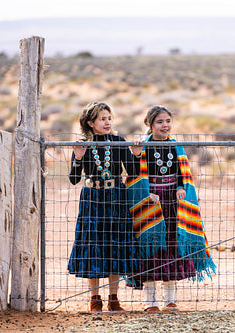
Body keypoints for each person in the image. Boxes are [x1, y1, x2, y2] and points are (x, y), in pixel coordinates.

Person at [126, 105, 216, 311]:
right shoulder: (142, 146)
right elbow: (134, 176)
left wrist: (181, 188)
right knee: (150, 250)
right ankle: (150, 302)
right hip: (150, 204)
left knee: (172, 249)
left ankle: (170, 299)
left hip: (173, 205)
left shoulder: (177, 146)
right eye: (159, 122)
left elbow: (183, 174)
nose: (165, 125)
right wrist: (146, 193)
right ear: (149, 124)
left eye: (167, 121)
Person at [68, 102, 140, 312]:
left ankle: (114, 298)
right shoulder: (82, 144)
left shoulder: (118, 141)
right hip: (92, 197)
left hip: (116, 196)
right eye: (102, 119)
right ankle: (95, 298)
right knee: (93, 245)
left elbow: (133, 173)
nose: (107, 122)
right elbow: (73, 179)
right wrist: (78, 159)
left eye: (109, 118)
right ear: (91, 123)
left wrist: (135, 155)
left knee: (115, 245)